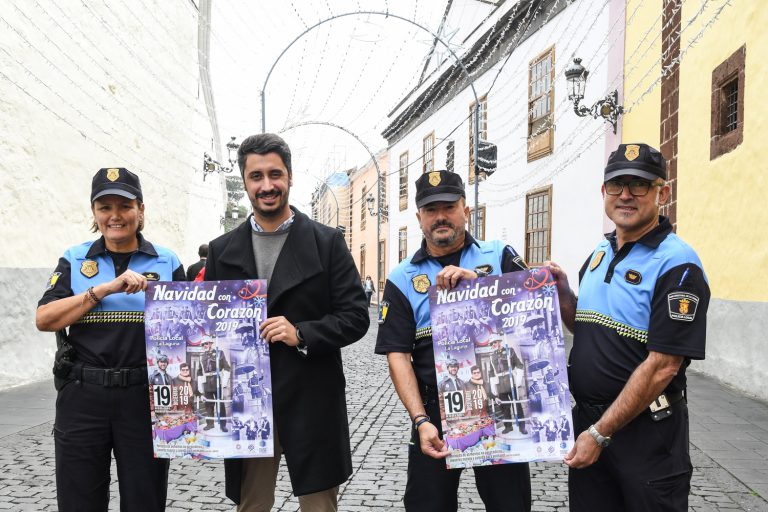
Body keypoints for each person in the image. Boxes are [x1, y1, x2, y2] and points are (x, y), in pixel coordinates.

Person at [204, 133, 369, 511]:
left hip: (311, 395)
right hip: (249, 401)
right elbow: (210, 329)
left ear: (290, 177)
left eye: (275, 174)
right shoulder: (222, 250)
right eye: (256, 176)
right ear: (245, 182)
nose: (267, 185)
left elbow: (356, 316)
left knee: (318, 505)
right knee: (252, 504)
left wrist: (302, 333)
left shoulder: (326, 243)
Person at [548, 143, 710, 511]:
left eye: (639, 185)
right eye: (616, 184)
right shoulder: (599, 254)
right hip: (590, 422)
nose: (625, 195)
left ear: (662, 192)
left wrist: (601, 434)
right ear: (603, 192)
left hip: (645, 434)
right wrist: (562, 297)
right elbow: (587, 327)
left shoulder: (678, 264)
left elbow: (665, 365)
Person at [375, 170, 531, 512]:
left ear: (466, 210)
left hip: (500, 405)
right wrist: (420, 420)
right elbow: (398, 355)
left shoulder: (499, 256)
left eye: (449, 206)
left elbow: (535, 318)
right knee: (427, 505)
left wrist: (481, 286)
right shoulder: (402, 279)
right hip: (435, 413)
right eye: (431, 210)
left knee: (510, 505)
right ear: (419, 218)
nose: (440, 216)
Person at [35, 167, 185, 511]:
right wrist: (102, 290)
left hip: (144, 399)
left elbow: (189, 328)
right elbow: (44, 318)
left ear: (141, 210)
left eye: (125, 206)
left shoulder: (167, 261)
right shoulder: (75, 259)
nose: (115, 216)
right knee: (79, 502)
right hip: (83, 398)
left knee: (145, 501)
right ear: (94, 213)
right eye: (105, 207)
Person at [197, 337, 231, 432]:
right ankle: (210, 424)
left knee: (220, 404)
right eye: (203, 344)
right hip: (207, 382)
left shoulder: (219, 353)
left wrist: (224, 382)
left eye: (206, 344)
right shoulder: (201, 356)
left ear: (211, 343)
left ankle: (223, 425)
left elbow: (227, 368)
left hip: (217, 381)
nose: (204, 346)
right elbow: (199, 372)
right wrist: (200, 387)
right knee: (208, 404)